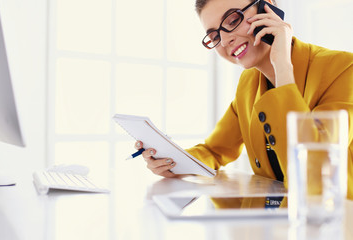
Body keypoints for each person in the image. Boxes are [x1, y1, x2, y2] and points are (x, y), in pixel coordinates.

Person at [134, 0, 353, 199]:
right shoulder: (249, 83)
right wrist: (170, 161)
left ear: (266, 9)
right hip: (281, 220)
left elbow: (315, 175)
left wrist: (283, 68)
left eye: (233, 20)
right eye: (214, 36)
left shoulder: (344, 69)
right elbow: (214, 151)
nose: (226, 39)